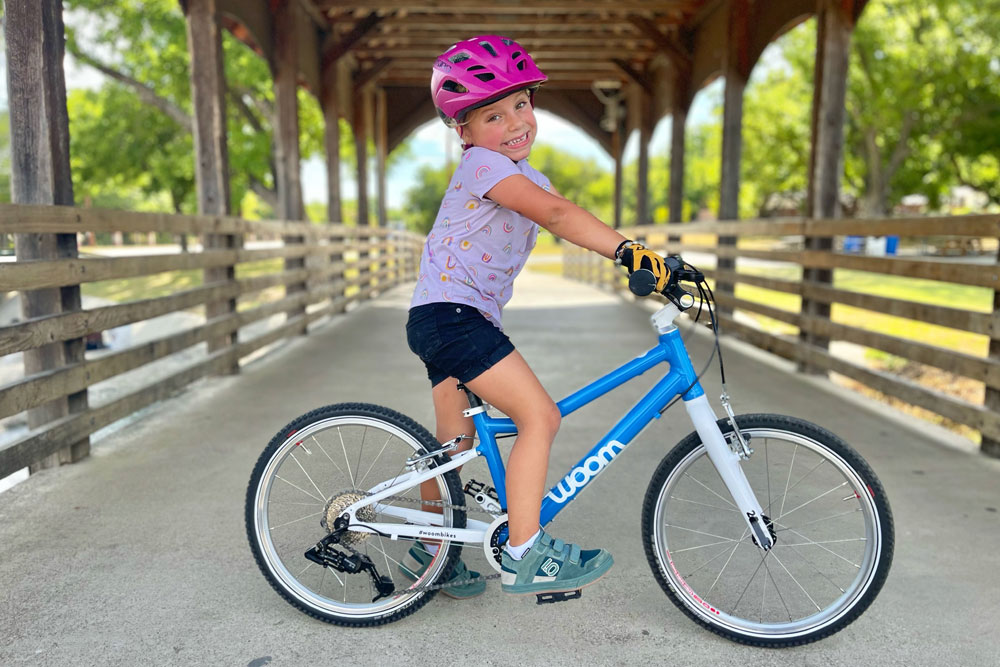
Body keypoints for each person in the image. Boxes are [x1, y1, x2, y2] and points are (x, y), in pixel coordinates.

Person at [402, 35, 670, 599]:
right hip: (453, 317)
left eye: (521, 104)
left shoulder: (522, 176)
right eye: (493, 115)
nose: (515, 122)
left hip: (444, 317)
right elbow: (555, 213)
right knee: (540, 418)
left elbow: (561, 215)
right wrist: (631, 252)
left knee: (453, 445)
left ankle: (432, 552)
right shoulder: (482, 165)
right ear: (464, 132)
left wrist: (624, 251)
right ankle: (525, 553)